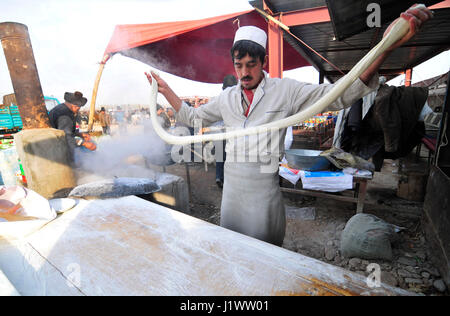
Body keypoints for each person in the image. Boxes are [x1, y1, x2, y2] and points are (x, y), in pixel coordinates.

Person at [146, 5, 432, 246]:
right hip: (232, 190)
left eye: (251, 65)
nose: (244, 73)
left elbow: (338, 95)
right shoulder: (226, 98)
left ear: (264, 61)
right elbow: (191, 118)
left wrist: (384, 47)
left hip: (262, 191)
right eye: (238, 66)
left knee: (265, 254)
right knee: (233, 249)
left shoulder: (286, 91)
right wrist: (165, 90)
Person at [48, 91, 96, 157]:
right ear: (74, 106)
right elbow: (66, 138)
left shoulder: (59, 108)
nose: (78, 110)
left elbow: (63, 131)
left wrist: (79, 134)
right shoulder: (64, 116)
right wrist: (84, 143)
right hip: (60, 151)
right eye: (78, 108)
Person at [214, 74, 238, 188]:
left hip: (220, 134)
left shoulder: (218, 100)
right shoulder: (237, 100)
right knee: (230, 158)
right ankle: (227, 180)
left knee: (220, 158)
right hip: (230, 135)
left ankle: (219, 177)